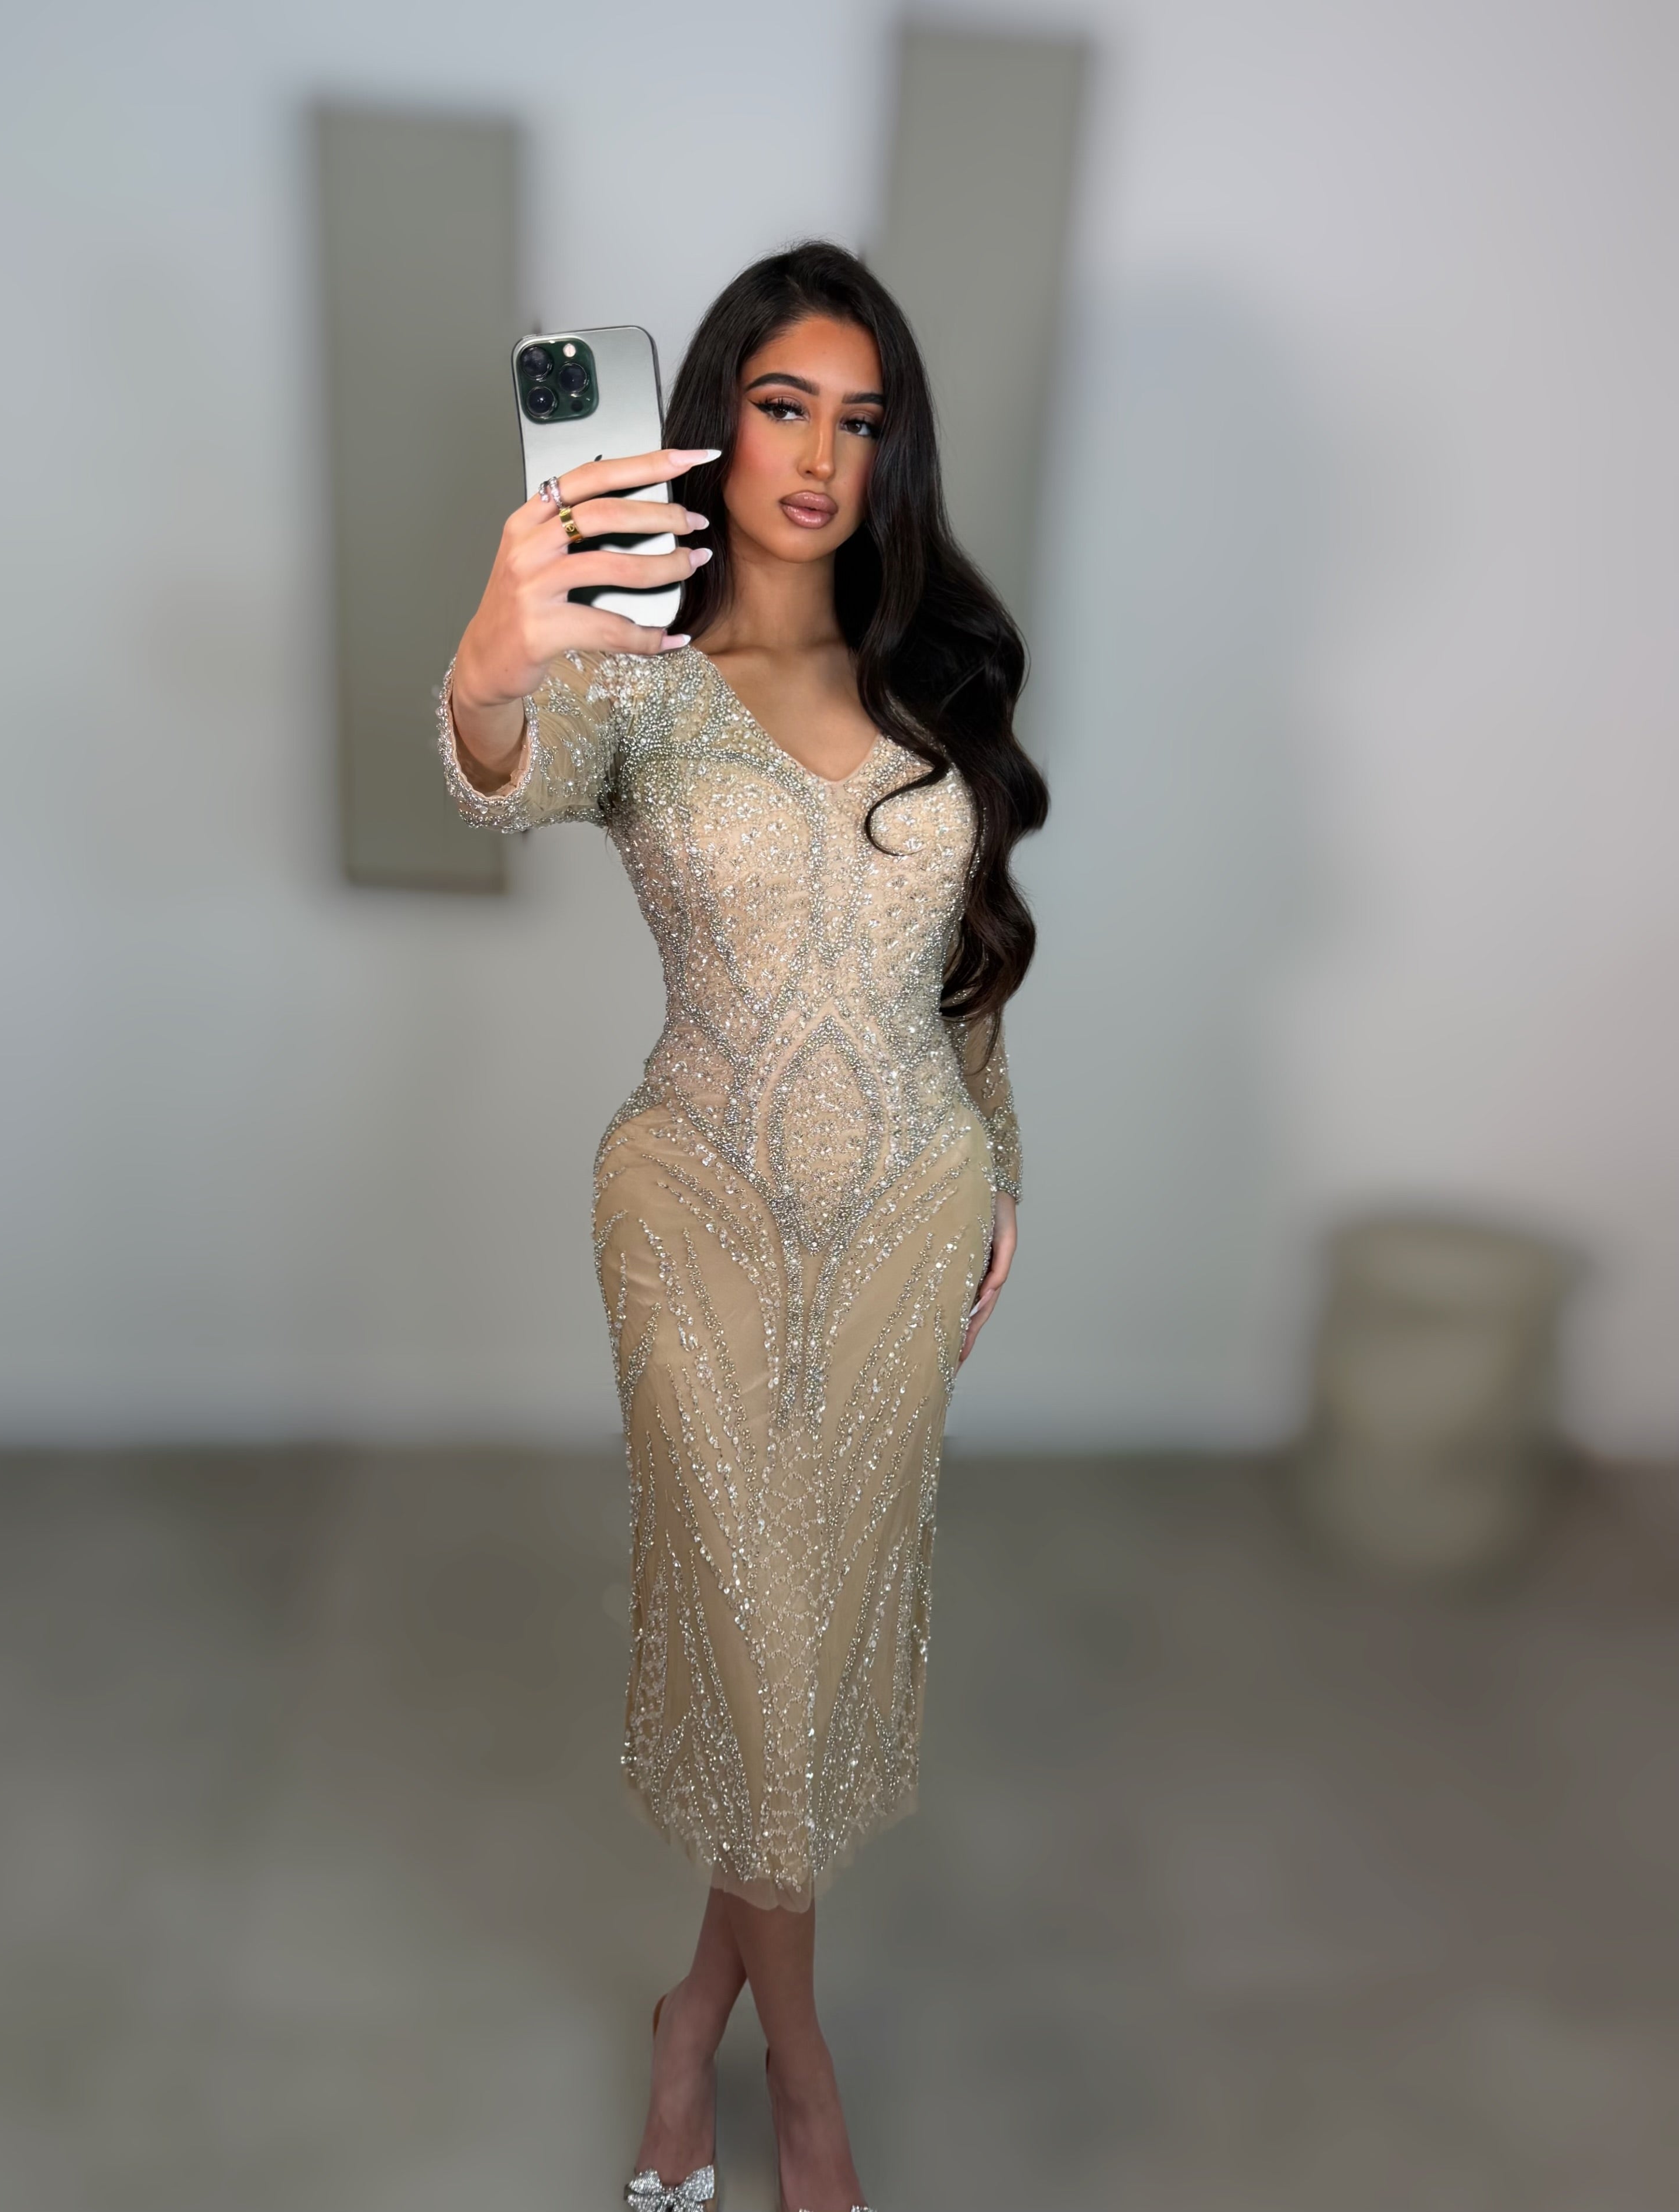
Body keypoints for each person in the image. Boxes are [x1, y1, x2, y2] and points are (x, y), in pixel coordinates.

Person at [438, 241, 1048, 2212]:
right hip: (693, 1219)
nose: (820, 456)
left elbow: (963, 982)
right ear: (717, 417)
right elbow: (505, 781)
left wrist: (999, 1167)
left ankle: (686, 2012)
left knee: (807, 1658)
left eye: (861, 422)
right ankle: (802, 2078)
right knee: (764, 1661)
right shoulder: (635, 670)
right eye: (785, 405)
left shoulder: (928, 677)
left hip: (904, 1230)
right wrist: (497, 649)